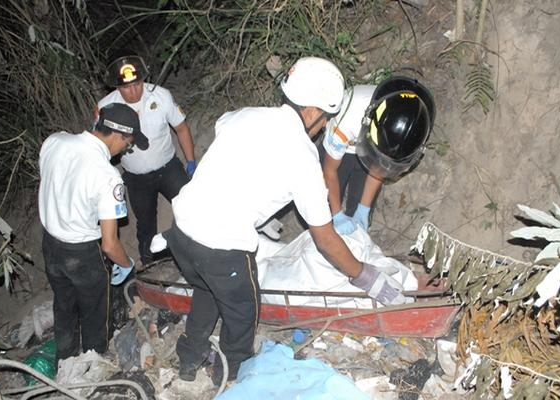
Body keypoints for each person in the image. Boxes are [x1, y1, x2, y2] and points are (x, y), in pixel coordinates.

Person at [152, 57, 408, 386]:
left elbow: (232, 155)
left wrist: (261, 213)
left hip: (182, 229)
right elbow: (326, 241)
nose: (322, 127)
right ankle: (231, 376)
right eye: (326, 119)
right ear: (314, 111)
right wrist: (366, 277)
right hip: (220, 246)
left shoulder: (243, 115)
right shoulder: (302, 157)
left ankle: (189, 359)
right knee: (242, 310)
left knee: (206, 289)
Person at [39, 103, 146, 365]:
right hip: (83, 254)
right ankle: (93, 364)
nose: (125, 150)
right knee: (95, 312)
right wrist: (127, 265)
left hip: (50, 245)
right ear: (119, 136)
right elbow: (109, 244)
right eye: (128, 144)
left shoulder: (55, 142)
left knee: (64, 306)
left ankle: (64, 361)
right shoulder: (107, 176)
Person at [96, 53, 197, 265]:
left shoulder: (160, 96)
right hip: (136, 177)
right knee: (145, 221)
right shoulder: (106, 108)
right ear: (116, 87)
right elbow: (99, 146)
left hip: (169, 168)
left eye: (137, 84)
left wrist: (190, 162)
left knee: (192, 206)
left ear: (143, 80)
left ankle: (202, 246)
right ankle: (151, 263)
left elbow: (181, 128)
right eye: (126, 87)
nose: (133, 91)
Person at [320, 76, 435, 234]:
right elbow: (329, 170)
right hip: (343, 150)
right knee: (324, 210)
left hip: (373, 148)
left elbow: (381, 167)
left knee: (359, 211)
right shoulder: (348, 117)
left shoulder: (417, 124)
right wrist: (336, 214)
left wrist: (364, 209)